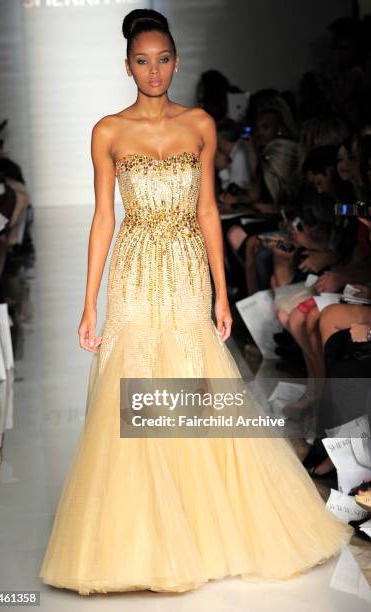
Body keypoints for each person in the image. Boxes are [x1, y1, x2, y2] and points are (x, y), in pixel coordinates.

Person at [39, 8, 353, 596]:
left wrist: (219, 291)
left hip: (184, 265)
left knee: (192, 377)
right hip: (134, 268)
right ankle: (143, 535)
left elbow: (208, 209)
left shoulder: (200, 125)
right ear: (126, 64)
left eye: (162, 59)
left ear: (175, 62)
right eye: (141, 60)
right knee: (132, 381)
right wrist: (88, 302)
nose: (153, 70)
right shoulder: (107, 130)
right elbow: (104, 217)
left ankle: (198, 524)